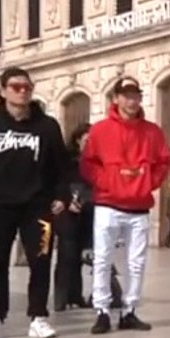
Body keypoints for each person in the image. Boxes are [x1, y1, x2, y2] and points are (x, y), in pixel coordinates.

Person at [81, 76, 170, 334]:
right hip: (108, 204)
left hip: (139, 205)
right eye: (126, 95)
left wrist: (147, 182)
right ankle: (102, 310)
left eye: (136, 96)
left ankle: (130, 309)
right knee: (102, 259)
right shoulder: (100, 130)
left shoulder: (152, 132)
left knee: (137, 261)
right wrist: (108, 181)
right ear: (116, 98)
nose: (132, 101)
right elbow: (88, 162)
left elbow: (164, 161)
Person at [0, 66, 68, 338]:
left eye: (27, 88)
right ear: (3, 91)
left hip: (38, 205)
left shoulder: (47, 126)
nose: (22, 92)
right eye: (16, 87)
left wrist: (61, 195)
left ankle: (38, 316)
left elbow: (62, 166)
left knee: (41, 259)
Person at [53, 123, 94, 312]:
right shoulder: (67, 160)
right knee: (66, 254)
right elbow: (58, 181)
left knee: (79, 254)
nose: (90, 143)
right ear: (78, 140)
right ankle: (61, 298)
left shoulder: (95, 161)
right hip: (67, 211)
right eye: (87, 140)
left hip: (87, 210)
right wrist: (66, 200)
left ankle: (76, 295)